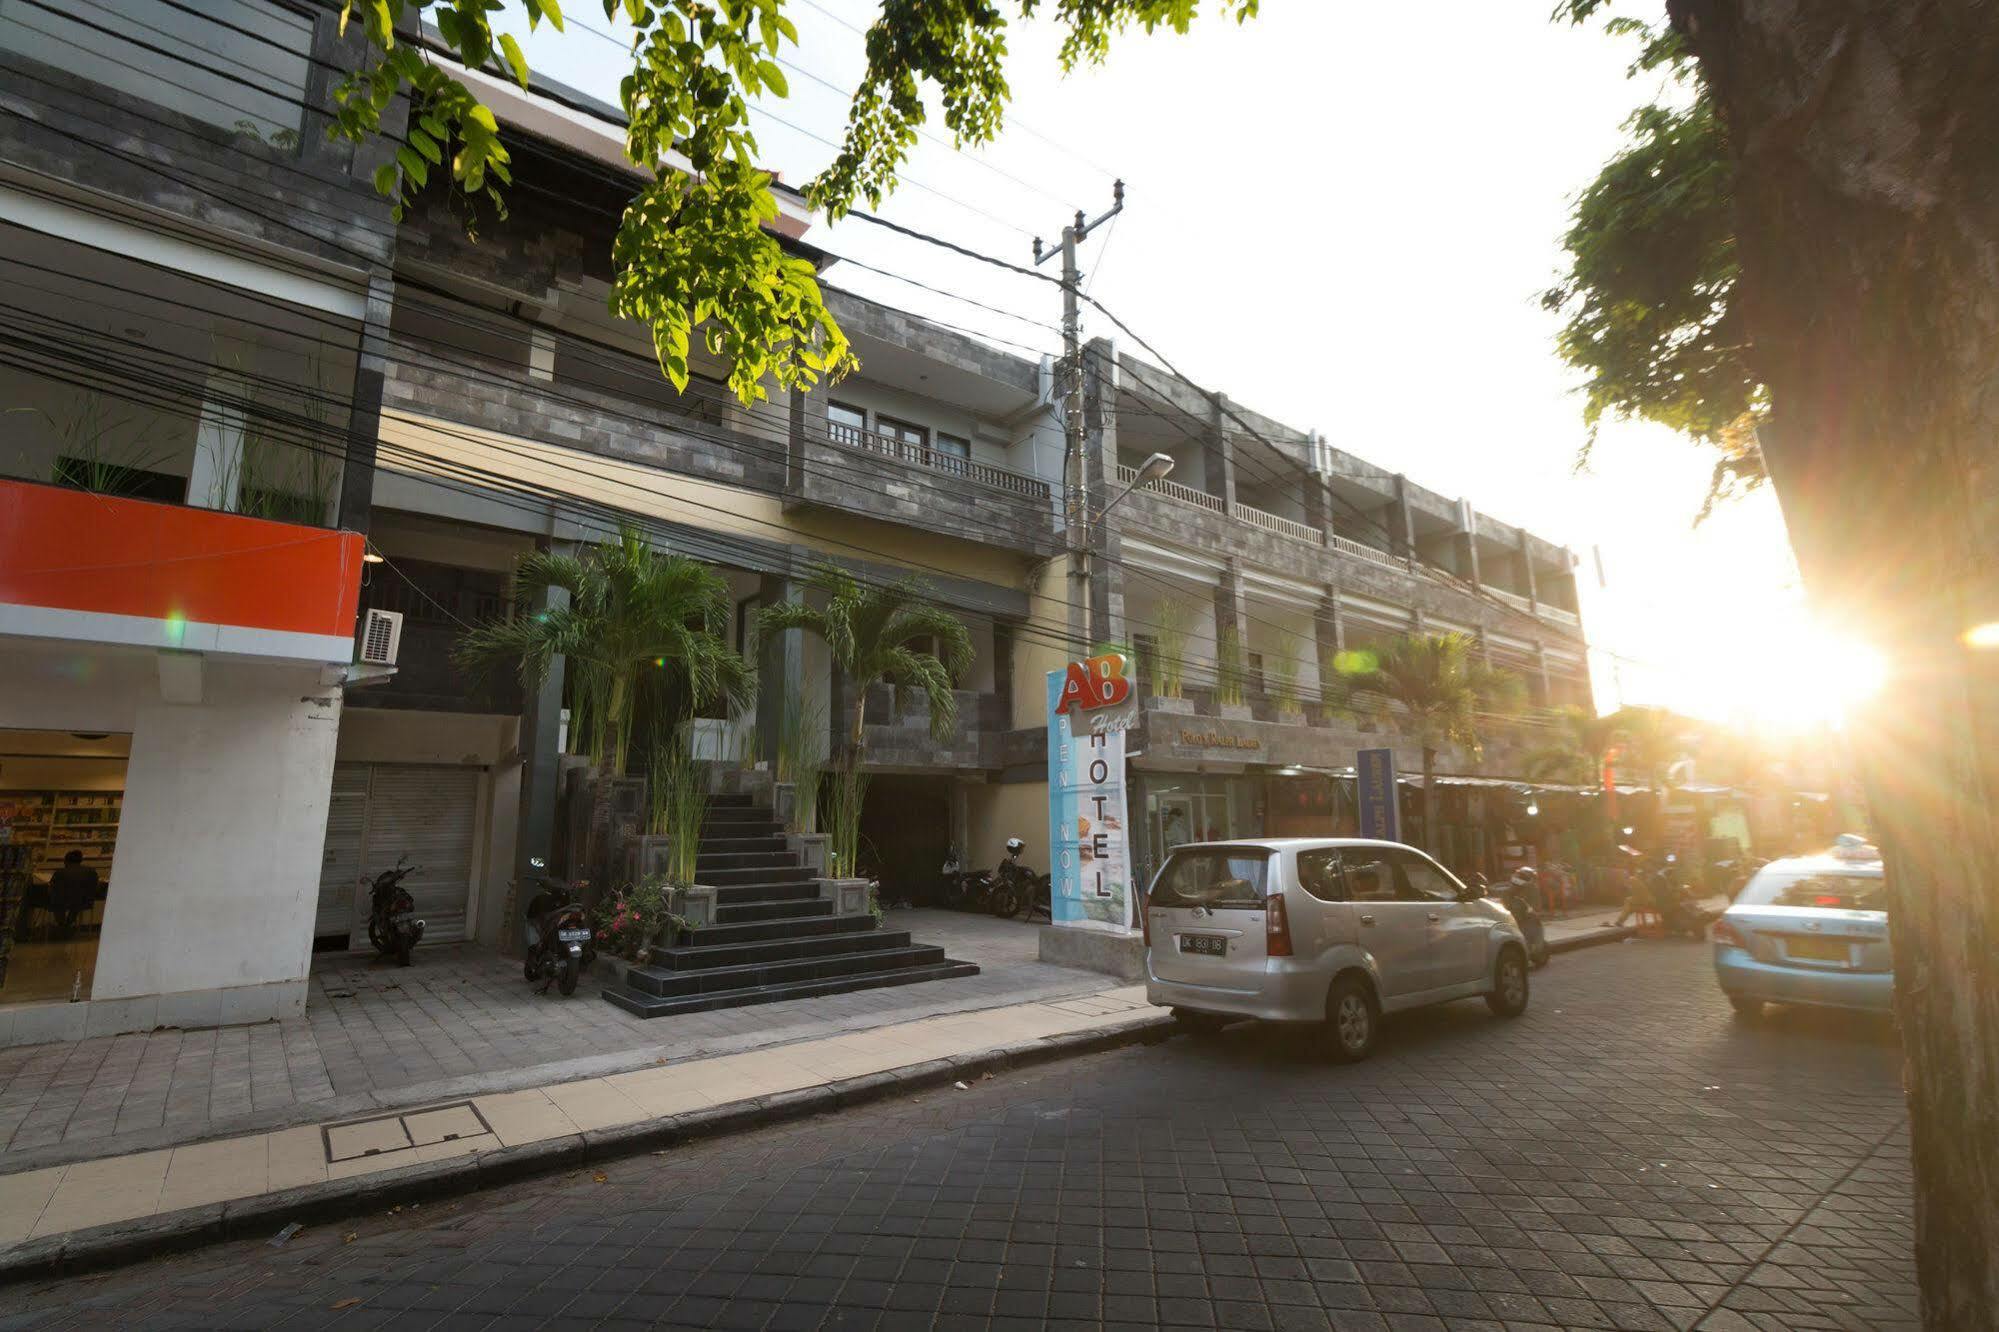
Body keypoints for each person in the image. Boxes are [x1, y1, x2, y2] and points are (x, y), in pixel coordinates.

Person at [47, 850, 100, 937]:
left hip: (63, 902)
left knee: (57, 903)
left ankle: (62, 926)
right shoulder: (91, 871)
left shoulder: (60, 873)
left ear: (66, 861)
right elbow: (96, 888)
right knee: (76, 903)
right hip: (84, 902)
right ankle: (67, 925)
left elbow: (51, 889)